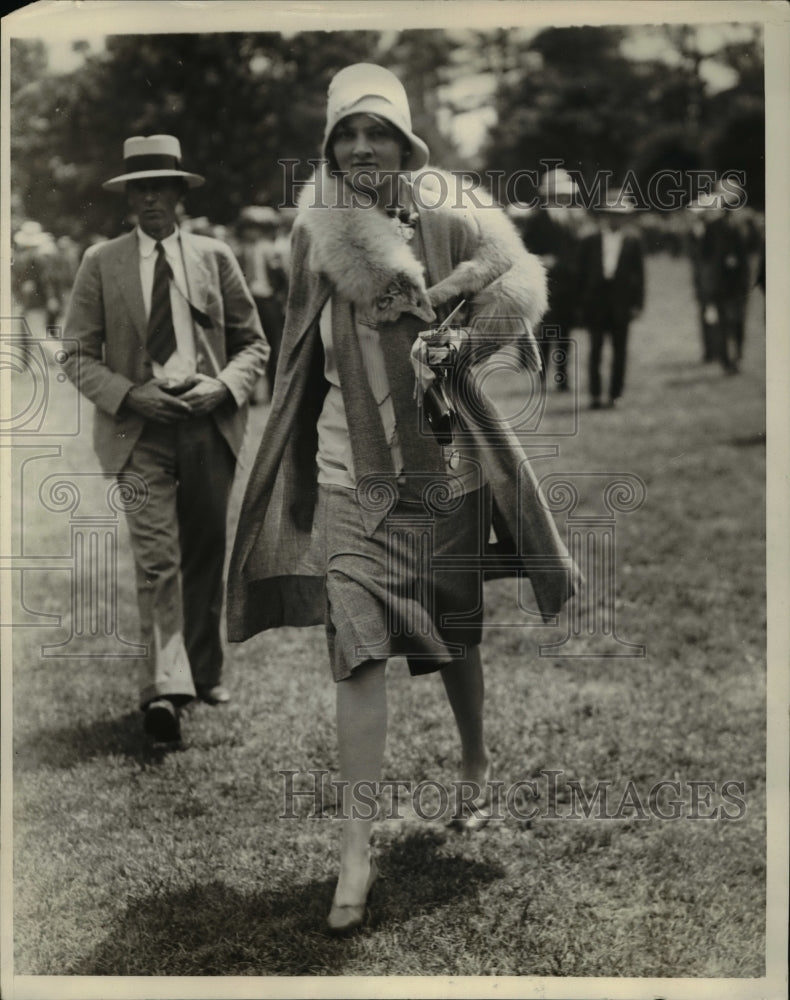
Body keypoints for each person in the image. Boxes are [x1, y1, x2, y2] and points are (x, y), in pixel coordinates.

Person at [227, 64, 580, 933]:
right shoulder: (316, 232)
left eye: (375, 133)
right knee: (356, 651)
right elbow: (298, 352)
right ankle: (355, 849)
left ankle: (474, 764)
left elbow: (518, 292)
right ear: (329, 149)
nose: (360, 148)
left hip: (445, 470)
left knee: (455, 633)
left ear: (405, 144)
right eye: (345, 134)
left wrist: (458, 340)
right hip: (350, 476)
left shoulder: (450, 214)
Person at [62, 134, 269, 744]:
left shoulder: (215, 257)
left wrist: (222, 386)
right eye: (140, 190)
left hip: (208, 424)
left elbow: (253, 343)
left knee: (205, 552)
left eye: (161, 187)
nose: (151, 199)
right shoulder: (102, 261)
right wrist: (131, 394)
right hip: (138, 431)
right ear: (128, 198)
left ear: (180, 193)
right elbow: (75, 354)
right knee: (158, 559)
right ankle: (164, 689)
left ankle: (203, 672)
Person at [578, 190, 645, 409]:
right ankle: (595, 394)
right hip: (597, 301)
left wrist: (637, 304)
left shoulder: (633, 241)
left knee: (619, 351)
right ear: (604, 216)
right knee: (595, 349)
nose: (615, 219)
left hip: (621, 301)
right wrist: (582, 303)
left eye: (620, 215)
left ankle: (615, 394)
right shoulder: (590, 240)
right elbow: (582, 273)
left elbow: (639, 276)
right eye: (611, 214)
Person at [520, 168, 584, 392]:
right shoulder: (538, 220)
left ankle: (562, 377)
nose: (564, 198)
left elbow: (576, 251)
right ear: (550, 194)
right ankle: (542, 376)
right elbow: (526, 250)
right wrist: (542, 260)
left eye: (566, 195)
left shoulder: (571, 219)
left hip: (567, 285)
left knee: (565, 333)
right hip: (547, 285)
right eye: (560, 194)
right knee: (546, 333)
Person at [697, 181, 753, 374]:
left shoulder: (744, 224)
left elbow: (750, 250)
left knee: (738, 320)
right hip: (720, 281)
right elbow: (705, 255)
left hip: (739, 281)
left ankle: (737, 354)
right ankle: (726, 359)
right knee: (722, 321)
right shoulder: (713, 226)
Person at [234, 206, 287, 401]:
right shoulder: (238, 251)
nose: (253, 233)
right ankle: (250, 393)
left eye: (256, 228)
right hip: (248, 301)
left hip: (267, 299)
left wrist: (278, 295)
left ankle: (274, 390)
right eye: (249, 228)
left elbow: (281, 278)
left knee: (273, 343)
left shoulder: (270, 250)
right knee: (247, 344)